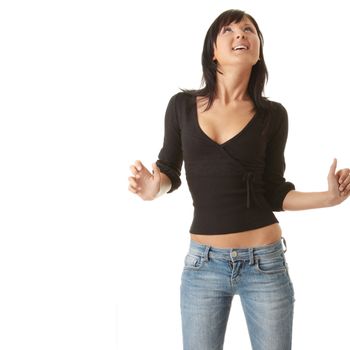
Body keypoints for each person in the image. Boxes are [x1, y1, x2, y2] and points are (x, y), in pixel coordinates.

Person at [128, 9, 350, 350]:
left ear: (258, 50)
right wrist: (152, 188)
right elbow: (169, 172)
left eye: (249, 30)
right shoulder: (181, 106)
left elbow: (275, 192)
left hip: (265, 263)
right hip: (203, 264)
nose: (240, 35)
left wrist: (330, 197)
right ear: (213, 51)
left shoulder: (273, 115)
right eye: (228, 30)